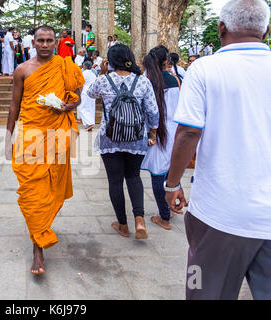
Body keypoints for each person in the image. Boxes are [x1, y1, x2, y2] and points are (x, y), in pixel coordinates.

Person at [165, 0, 271, 300]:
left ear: (221, 28)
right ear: (267, 30)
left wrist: (171, 184)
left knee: (204, 292)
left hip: (220, 215)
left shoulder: (204, 69)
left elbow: (188, 132)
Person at [5, 25, 84, 275]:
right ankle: (38, 248)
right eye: (41, 40)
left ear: (56, 42)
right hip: (30, 135)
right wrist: (8, 137)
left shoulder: (66, 66)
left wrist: (67, 107)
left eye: (50, 40)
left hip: (57, 134)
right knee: (31, 190)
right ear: (33, 42)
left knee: (52, 190)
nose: (45, 45)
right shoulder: (23, 70)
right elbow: (14, 105)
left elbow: (77, 97)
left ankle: (40, 234)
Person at [87, 44, 159, 239]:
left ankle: (123, 224)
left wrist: (102, 72)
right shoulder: (142, 82)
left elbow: (90, 93)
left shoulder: (104, 80)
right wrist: (152, 133)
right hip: (136, 139)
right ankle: (139, 220)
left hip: (110, 139)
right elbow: (153, 111)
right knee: (134, 177)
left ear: (110, 60)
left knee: (115, 181)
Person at [141, 45, 181, 231]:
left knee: (158, 173)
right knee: (169, 171)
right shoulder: (176, 80)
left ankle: (164, 216)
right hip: (174, 132)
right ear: (167, 61)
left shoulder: (145, 80)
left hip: (154, 132)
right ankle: (172, 207)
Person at [77, 60, 97, 131]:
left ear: (84, 67)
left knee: (81, 107)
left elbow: (81, 84)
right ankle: (89, 124)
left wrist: (79, 92)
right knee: (91, 108)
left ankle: (89, 123)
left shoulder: (84, 73)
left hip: (85, 92)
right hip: (92, 92)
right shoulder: (93, 74)